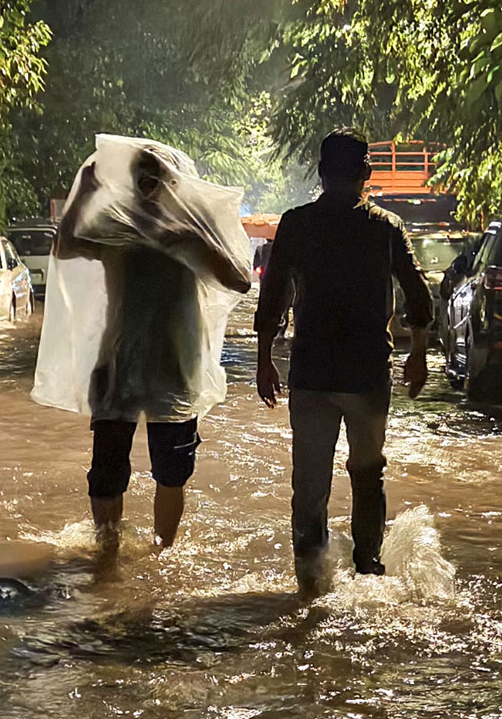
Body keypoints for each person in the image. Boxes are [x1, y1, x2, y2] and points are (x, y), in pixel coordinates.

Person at [254, 129, 432, 596]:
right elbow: (417, 293)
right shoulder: (386, 229)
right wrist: (417, 353)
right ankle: (369, 571)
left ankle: (309, 586)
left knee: (309, 481)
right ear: (367, 175)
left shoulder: (296, 224)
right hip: (367, 375)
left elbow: (273, 295)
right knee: (368, 473)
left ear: (320, 173)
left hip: (312, 374)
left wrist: (264, 360)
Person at [55, 147, 251, 551]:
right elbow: (66, 247)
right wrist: (85, 194)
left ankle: (162, 554)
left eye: (155, 177)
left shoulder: (194, 229)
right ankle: (106, 559)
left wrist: (195, 242)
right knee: (106, 471)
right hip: (118, 361)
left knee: (172, 471)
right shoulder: (118, 226)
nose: (148, 185)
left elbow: (240, 281)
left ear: (172, 183)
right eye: (140, 177)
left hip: (175, 364)